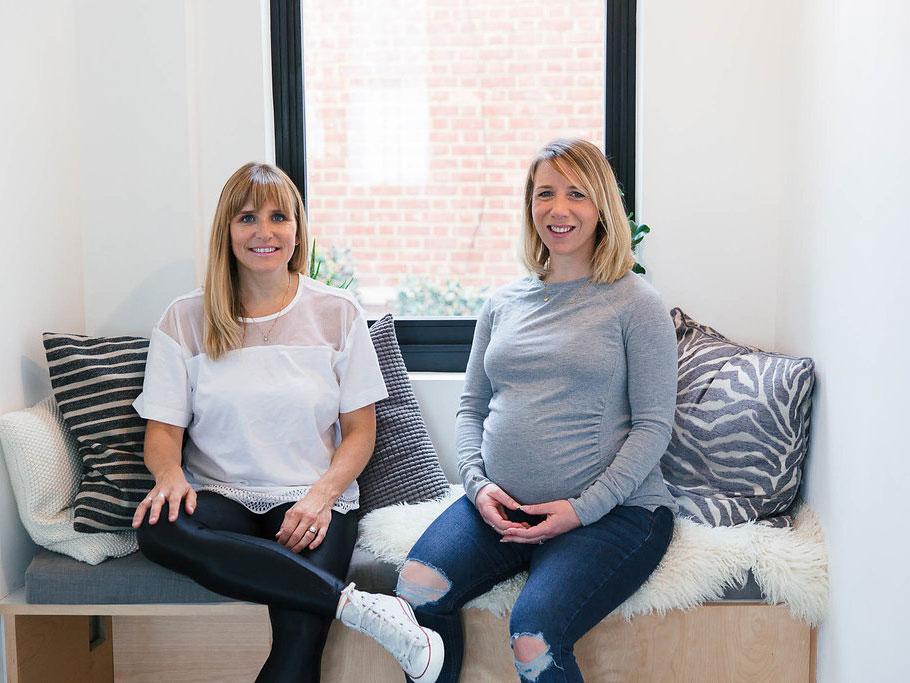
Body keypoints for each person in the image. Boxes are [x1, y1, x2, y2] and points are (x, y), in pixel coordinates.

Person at [132, 162, 444, 683]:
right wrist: (169, 477)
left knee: (300, 631)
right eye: (247, 218)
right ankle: (364, 609)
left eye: (279, 217)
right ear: (226, 231)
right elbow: (163, 431)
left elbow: (360, 432)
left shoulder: (337, 312)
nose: (264, 232)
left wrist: (321, 497)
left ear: (297, 229)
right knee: (157, 529)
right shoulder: (185, 317)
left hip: (312, 497)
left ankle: (335, 601)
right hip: (220, 495)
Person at [395, 139, 679, 682]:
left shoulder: (636, 303)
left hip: (616, 515)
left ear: (601, 207)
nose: (558, 208)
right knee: (416, 591)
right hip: (501, 507)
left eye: (576, 193)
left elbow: (652, 427)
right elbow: (472, 407)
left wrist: (580, 509)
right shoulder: (502, 304)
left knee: (533, 638)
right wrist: (477, 486)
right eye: (544, 193)